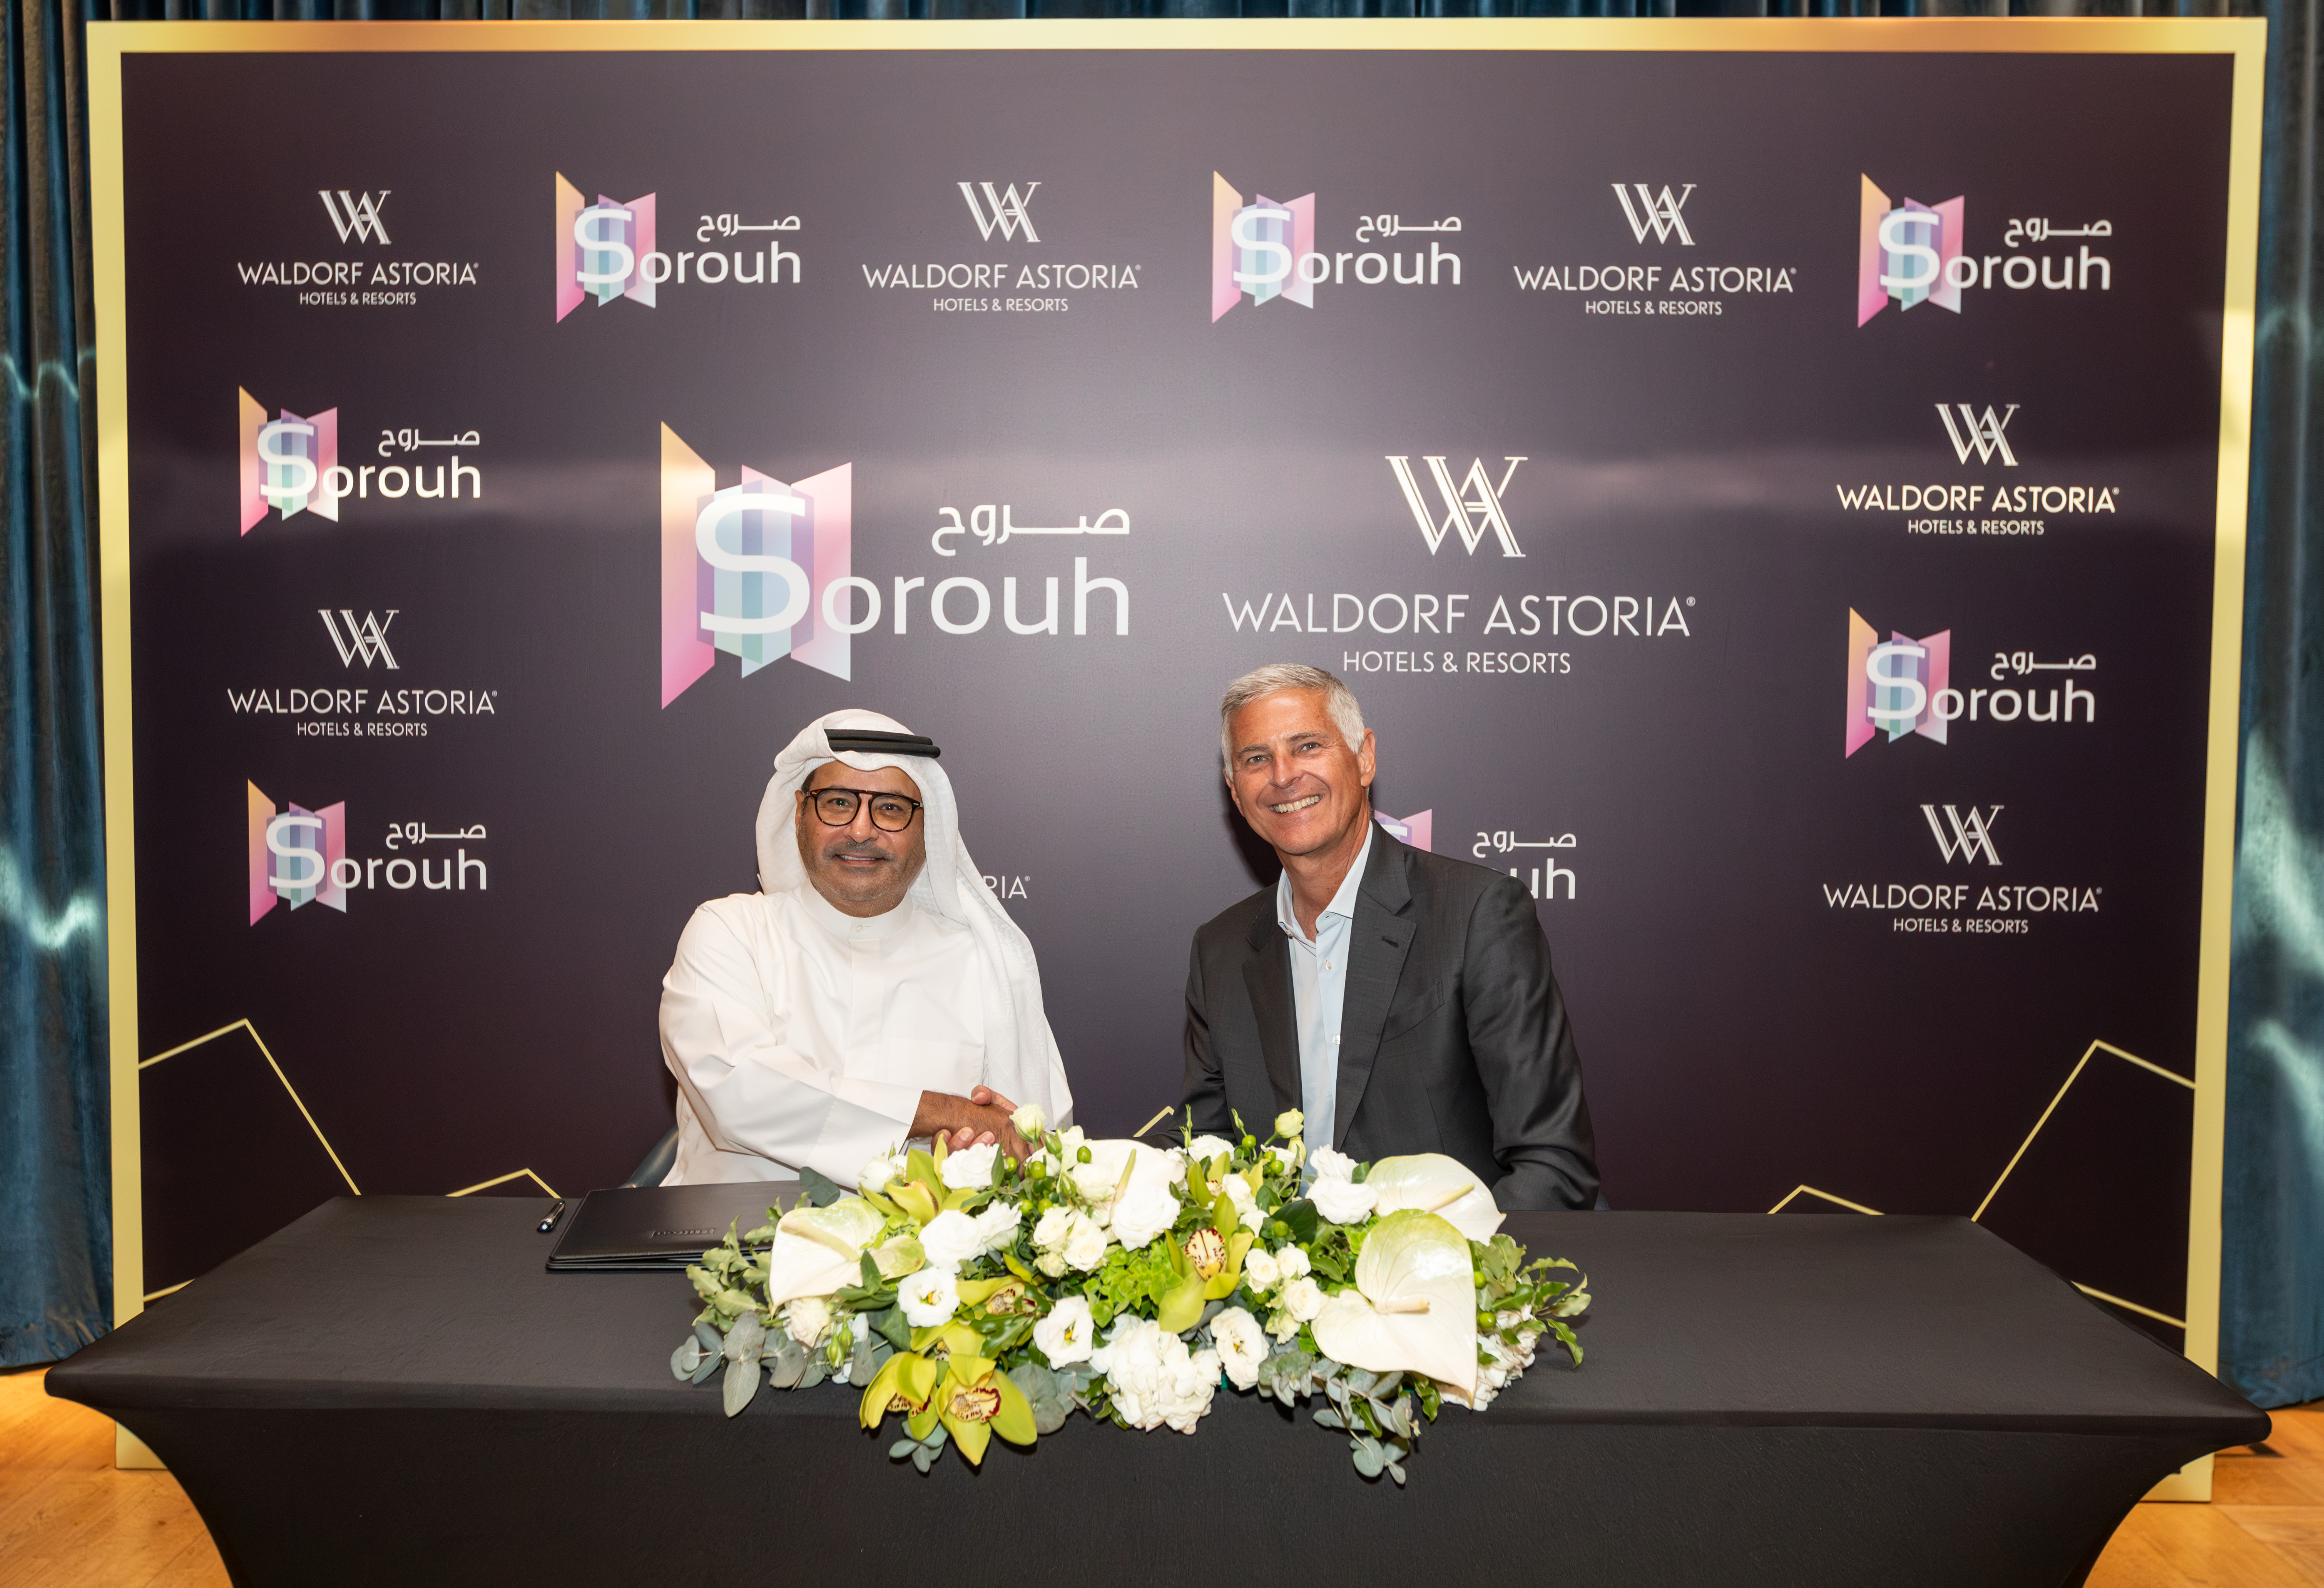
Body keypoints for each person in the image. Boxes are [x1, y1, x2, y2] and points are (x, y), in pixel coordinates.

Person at [1176, 664, 1598, 1210]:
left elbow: (1551, 1162)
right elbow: (1203, 1152)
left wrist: (1433, 1276)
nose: (1283, 775)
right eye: (1256, 759)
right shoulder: (1221, 949)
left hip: (1453, 1277)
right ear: (1235, 790)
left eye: (1307, 746)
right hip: (1279, 1285)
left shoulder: (1475, 913)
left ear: (1364, 757)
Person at [658, 709, 1072, 1187]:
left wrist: (978, 1158)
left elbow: (1036, 1136)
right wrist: (942, 1111)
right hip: (735, 1247)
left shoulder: (984, 964)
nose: (859, 830)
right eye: (837, 803)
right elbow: (737, 1092)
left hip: (926, 1253)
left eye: (891, 808)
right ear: (799, 813)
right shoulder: (730, 932)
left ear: (927, 827)